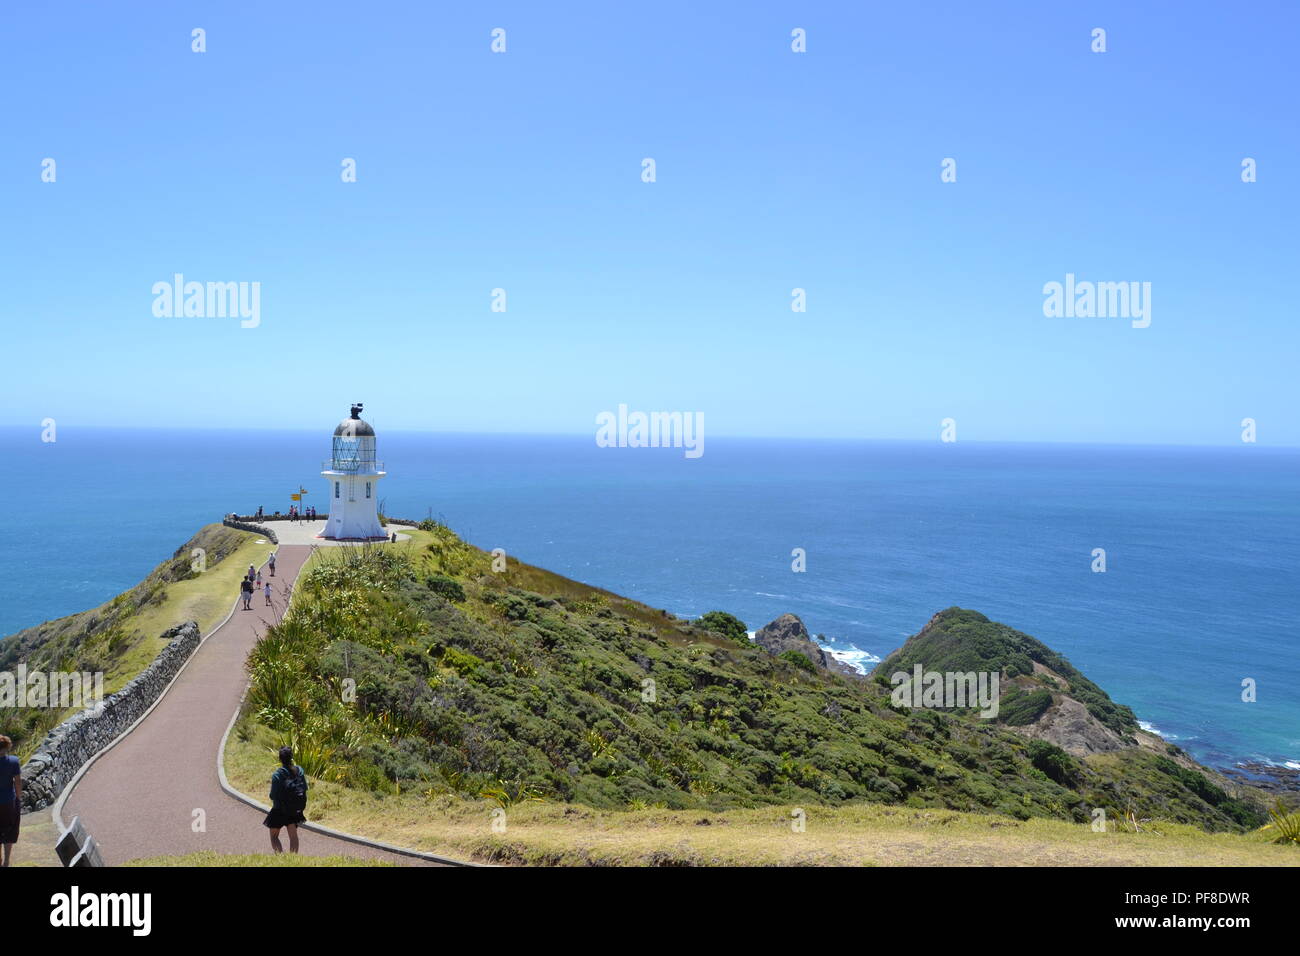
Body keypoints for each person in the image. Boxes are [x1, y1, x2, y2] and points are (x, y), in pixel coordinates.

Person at [265, 746, 307, 853]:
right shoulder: (299, 771)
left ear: (280, 759)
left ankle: (281, 860)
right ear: (291, 757)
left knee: (274, 836)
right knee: (293, 837)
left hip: (279, 809)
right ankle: (292, 861)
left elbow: (272, 796)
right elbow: (305, 788)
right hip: (294, 810)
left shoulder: (277, 775)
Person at [0, 736, 21, 867]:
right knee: (10, 830)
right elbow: (17, 782)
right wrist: (18, 798)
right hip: (9, 802)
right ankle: (7, 860)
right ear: (7, 746)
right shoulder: (13, 761)